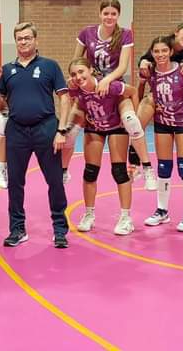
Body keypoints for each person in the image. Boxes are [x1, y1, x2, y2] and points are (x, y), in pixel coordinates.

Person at [0, 22, 71, 248]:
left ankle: (60, 229)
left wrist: (61, 130)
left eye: (27, 37)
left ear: (36, 40)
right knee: (15, 183)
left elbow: (64, 98)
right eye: (20, 38)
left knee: (55, 181)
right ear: (15, 41)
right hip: (16, 130)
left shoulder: (50, 66)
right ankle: (17, 229)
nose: (23, 41)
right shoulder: (7, 70)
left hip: (46, 128)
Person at [64, 0, 156, 191]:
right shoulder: (87, 33)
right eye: (106, 13)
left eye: (113, 14)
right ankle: (63, 170)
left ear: (118, 15)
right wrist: (75, 78)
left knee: (132, 121)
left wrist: (107, 80)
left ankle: (147, 168)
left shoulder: (125, 34)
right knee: (70, 130)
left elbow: (122, 66)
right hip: (90, 87)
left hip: (114, 86)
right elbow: (76, 60)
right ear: (100, 14)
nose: (109, 17)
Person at [62, 58, 135, 235]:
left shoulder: (108, 85)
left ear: (91, 70)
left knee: (119, 171)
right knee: (90, 172)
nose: (78, 77)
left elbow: (132, 92)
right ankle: (89, 214)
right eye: (74, 74)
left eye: (81, 71)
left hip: (116, 127)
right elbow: (76, 104)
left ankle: (126, 218)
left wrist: (134, 117)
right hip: (95, 127)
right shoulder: (76, 90)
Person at [142, 36, 183, 232]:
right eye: (156, 51)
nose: (160, 54)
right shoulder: (151, 72)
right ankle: (162, 210)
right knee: (163, 167)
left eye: (164, 50)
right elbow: (143, 91)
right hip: (162, 123)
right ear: (152, 53)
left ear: (171, 52)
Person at [136, 21, 183, 180]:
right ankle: (134, 163)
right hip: (163, 90)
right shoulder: (163, 45)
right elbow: (145, 60)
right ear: (176, 32)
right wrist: (142, 62)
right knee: (141, 113)